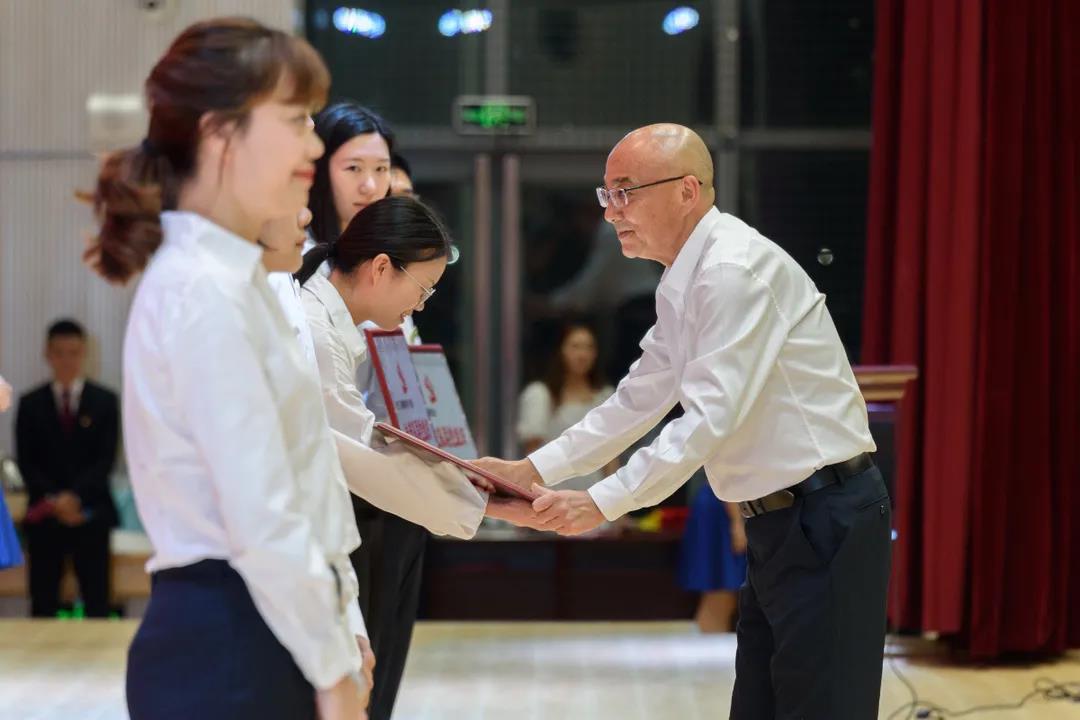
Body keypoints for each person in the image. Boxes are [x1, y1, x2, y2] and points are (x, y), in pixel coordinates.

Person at [475, 124, 891, 719]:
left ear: (686, 190)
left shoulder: (732, 270)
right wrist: (533, 468)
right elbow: (638, 397)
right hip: (784, 521)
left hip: (825, 513)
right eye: (607, 194)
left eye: (625, 192)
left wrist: (601, 501)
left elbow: (706, 420)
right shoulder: (686, 275)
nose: (611, 212)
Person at [83, 18, 369, 719]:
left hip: (257, 628)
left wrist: (342, 628)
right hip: (230, 642)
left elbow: (299, 488)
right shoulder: (202, 290)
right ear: (220, 133)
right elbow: (261, 514)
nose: (313, 145)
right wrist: (332, 668)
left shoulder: (236, 281)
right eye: (296, 120)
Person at [297, 194, 534, 719]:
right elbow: (362, 454)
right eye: (422, 288)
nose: (422, 305)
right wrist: (487, 503)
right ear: (381, 267)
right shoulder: (315, 329)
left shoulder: (336, 323)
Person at [14, 319, 119, 617]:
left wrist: (75, 498)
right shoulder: (31, 404)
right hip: (46, 515)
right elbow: (27, 462)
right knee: (43, 602)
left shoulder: (105, 402)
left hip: (91, 513)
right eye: (59, 353)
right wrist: (56, 500)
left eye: (73, 353)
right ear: (47, 354)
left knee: (97, 601)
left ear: (84, 353)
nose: (66, 361)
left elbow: (105, 461)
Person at [517, 320, 616, 492]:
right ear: (560, 350)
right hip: (550, 491)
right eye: (575, 347)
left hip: (592, 494)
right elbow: (531, 453)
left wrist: (613, 498)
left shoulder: (605, 396)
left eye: (589, 347)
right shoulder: (540, 395)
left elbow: (611, 453)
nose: (582, 354)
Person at [679, 481, 747, 633]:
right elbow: (729, 474)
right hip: (725, 506)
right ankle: (709, 646)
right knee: (720, 594)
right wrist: (737, 523)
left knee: (725, 597)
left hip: (727, 503)